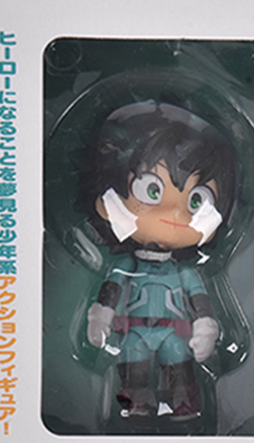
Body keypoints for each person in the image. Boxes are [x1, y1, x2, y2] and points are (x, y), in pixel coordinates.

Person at [83, 102, 236, 420]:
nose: (174, 216)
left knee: (178, 365)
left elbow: (200, 302)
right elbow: (110, 292)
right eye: (152, 191)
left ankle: (183, 403)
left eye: (196, 201)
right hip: (134, 331)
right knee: (133, 366)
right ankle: (136, 402)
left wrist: (205, 326)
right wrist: (100, 318)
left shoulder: (186, 273)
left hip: (174, 333)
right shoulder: (125, 266)